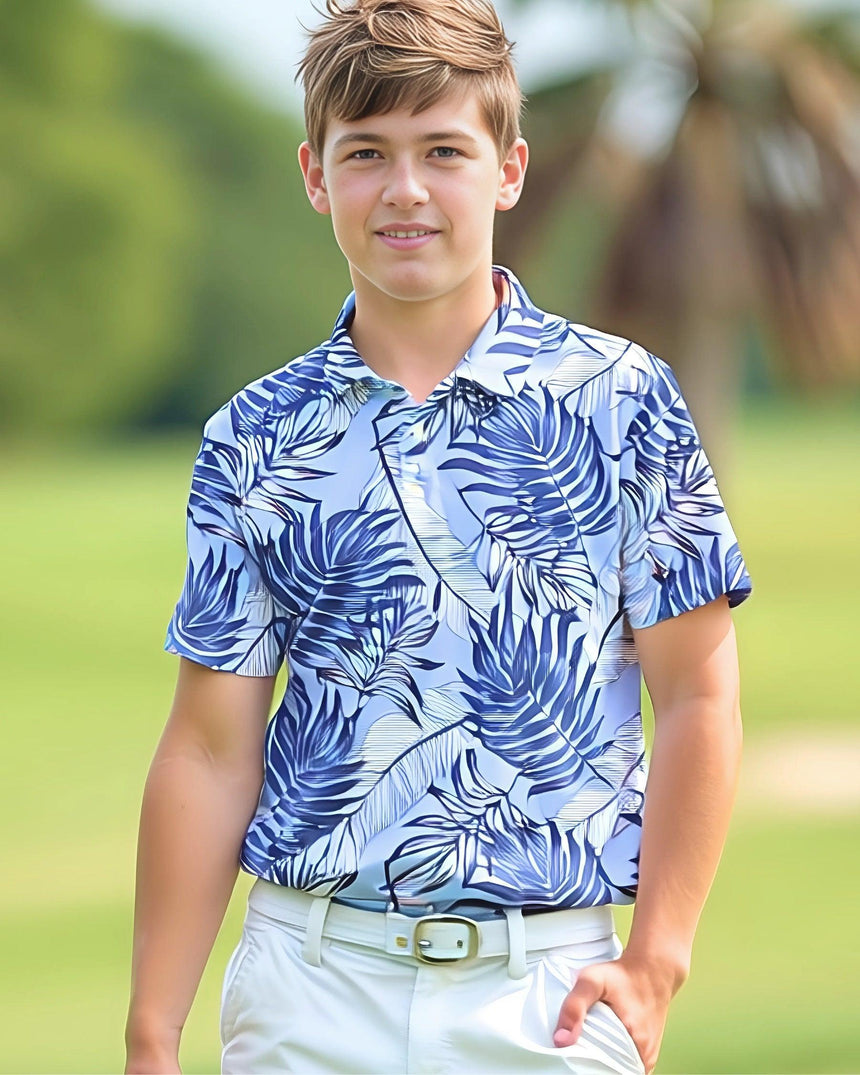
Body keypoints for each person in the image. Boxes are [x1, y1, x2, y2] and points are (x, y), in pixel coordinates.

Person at [124, 1, 752, 1072]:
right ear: (316, 177)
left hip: (544, 996)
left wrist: (657, 959)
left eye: (441, 152)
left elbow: (697, 692)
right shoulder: (254, 437)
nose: (404, 190)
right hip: (306, 993)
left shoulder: (617, 400)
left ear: (506, 169)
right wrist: (151, 1032)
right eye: (364, 154)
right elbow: (208, 746)